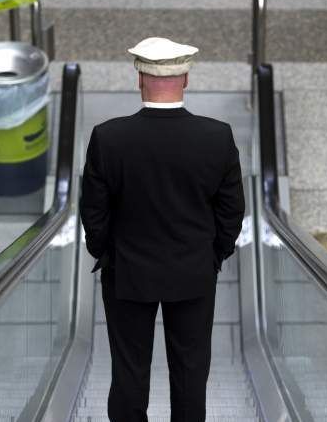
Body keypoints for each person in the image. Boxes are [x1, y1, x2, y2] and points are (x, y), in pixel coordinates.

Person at [79, 37, 246, 421]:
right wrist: (213, 254)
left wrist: (106, 252)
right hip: (192, 272)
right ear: (185, 78)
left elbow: (94, 212)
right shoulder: (217, 137)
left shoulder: (109, 138)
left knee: (128, 374)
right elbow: (231, 211)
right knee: (190, 374)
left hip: (127, 274)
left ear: (139, 77)